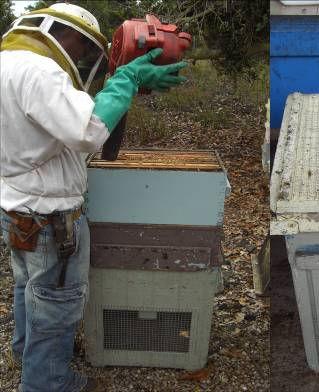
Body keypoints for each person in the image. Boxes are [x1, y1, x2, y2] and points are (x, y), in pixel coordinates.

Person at [0, 3, 187, 391]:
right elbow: (87, 130)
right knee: (56, 304)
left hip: (14, 207)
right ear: (65, 35)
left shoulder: (7, 64)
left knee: (28, 288)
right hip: (51, 217)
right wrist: (128, 77)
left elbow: (43, 133)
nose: (84, 58)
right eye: (85, 49)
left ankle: (25, 352)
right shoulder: (40, 72)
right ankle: (47, 382)